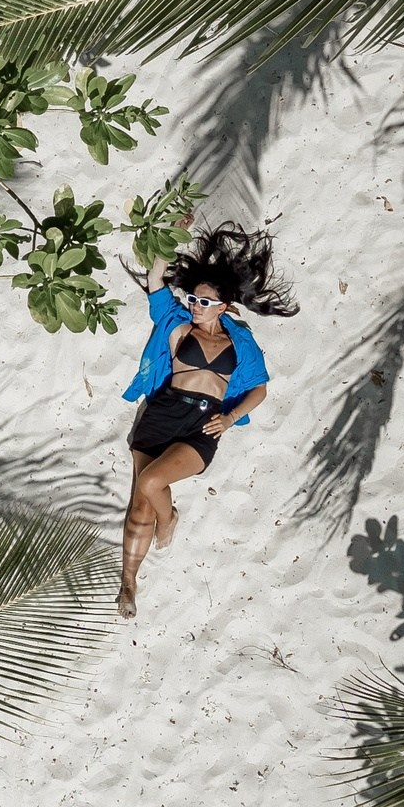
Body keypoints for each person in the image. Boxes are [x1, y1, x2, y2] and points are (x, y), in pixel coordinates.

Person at [117, 221, 299, 617]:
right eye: (193, 299)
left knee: (151, 482)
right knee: (139, 508)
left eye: (203, 302)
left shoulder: (240, 342)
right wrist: (168, 236)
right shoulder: (176, 325)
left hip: (203, 427)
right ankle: (129, 582)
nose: (195, 306)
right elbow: (155, 281)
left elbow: (259, 389)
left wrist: (231, 418)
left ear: (225, 307)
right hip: (162, 414)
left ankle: (170, 520)